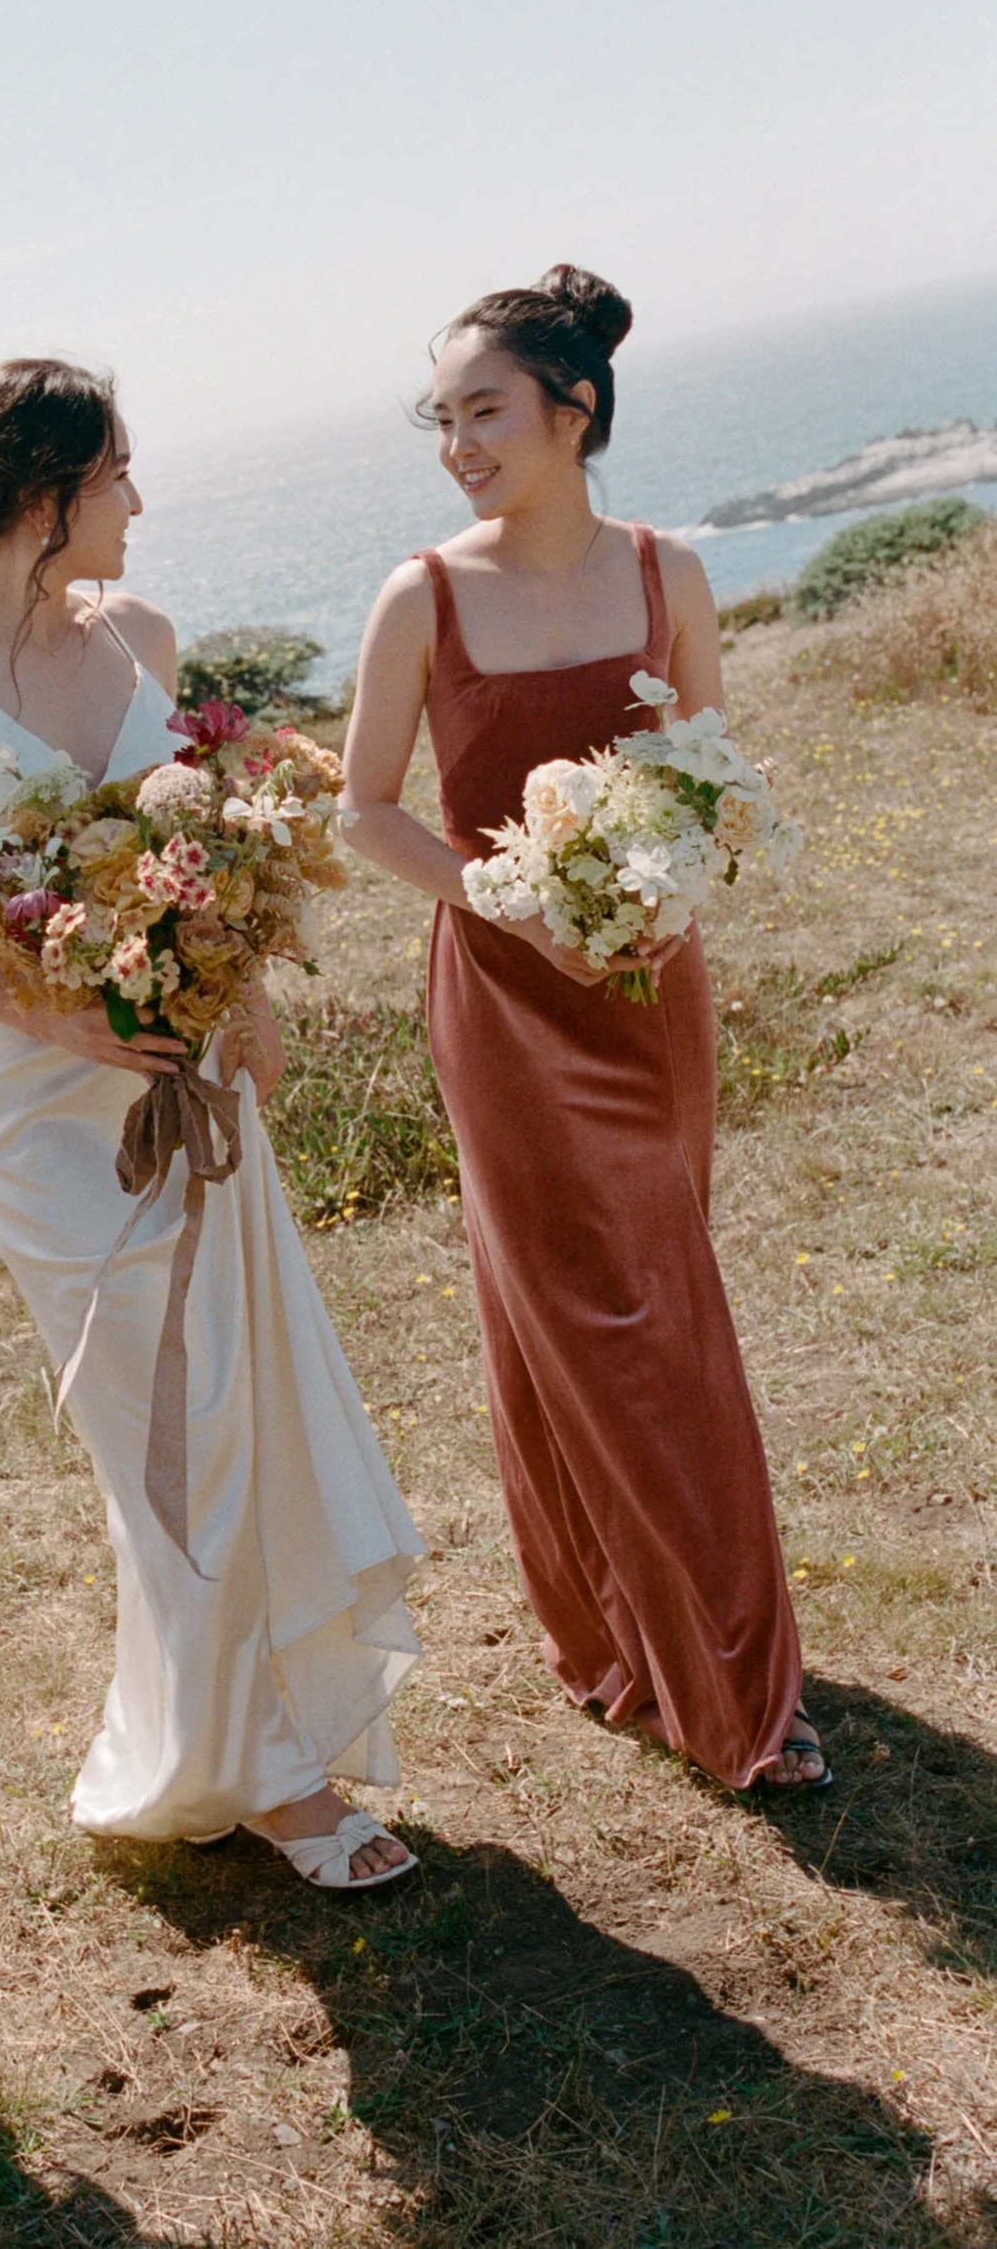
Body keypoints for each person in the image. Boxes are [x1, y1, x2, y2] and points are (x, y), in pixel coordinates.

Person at [0, 359, 425, 1888]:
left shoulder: (143, 638)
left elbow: (210, 846)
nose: (138, 505)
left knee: (246, 1400)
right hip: (43, 1116)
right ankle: (268, 1776)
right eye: (116, 478)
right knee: (169, 1430)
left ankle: (253, 1736)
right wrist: (62, 1016)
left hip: (195, 1082)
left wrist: (242, 990)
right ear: (42, 496)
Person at [339, 269, 827, 1794]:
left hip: (644, 989)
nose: (457, 444)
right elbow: (363, 809)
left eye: (483, 410)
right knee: (590, 1320)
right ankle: (730, 1684)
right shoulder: (418, 594)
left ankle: (642, 1614)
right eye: (443, 417)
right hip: (503, 1000)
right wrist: (506, 899)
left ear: (574, 411)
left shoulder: (664, 571)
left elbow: (700, 769)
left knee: (657, 1300)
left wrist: (656, 889)